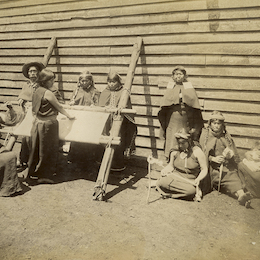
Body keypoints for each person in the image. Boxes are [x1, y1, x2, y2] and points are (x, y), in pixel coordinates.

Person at [26, 69, 74, 185]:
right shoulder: (48, 93)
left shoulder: (37, 90)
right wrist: (70, 116)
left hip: (38, 124)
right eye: (51, 79)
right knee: (48, 150)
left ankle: (33, 174)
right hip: (48, 125)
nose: (53, 82)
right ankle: (44, 175)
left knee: (37, 149)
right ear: (45, 80)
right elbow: (59, 107)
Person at [199, 111, 252, 207]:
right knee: (227, 179)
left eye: (219, 123)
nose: (216, 126)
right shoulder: (205, 136)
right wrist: (212, 158)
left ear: (222, 125)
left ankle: (241, 196)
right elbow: (201, 154)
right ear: (210, 124)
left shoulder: (226, 137)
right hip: (211, 169)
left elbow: (234, 155)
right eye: (214, 123)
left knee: (234, 177)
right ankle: (240, 195)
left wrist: (230, 156)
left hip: (226, 168)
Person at [17, 61, 64, 168]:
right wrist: (22, 100)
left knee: (39, 140)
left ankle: (37, 162)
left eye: (35, 71)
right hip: (28, 116)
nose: (32, 73)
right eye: (30, 71)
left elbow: (58, 102)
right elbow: (22, 97)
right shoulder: (26, 85)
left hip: (42, 116)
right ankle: (24, 159)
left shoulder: (48, 87)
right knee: (26, 138)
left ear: (39, 73)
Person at [158, 66, 204, 159]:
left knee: (184, 135)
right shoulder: (171, 86)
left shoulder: (188, 87)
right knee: (172, 136)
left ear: (184, 76)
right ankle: (170, 157)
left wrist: (184, 98)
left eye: (180, 74)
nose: (178, 76)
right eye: (176, 74)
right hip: (172, 117)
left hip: (185, 117)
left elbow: (193, 101)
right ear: (173, 76)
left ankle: (183, 158)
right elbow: (165, 102)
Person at [98, 71, 137, 171]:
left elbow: (126, 106)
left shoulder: (123, 92)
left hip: (120, 121)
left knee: (118, 141)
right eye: (109, 81)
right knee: (104, 139)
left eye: (113, 82)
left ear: (118, 82)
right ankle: (103, 163)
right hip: (106, 121)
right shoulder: (104, 92)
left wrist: (120, 109)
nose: (111, 84)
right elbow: (101, 105)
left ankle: (117, 164)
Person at [155, 128, 208, 201]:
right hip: (176, 177)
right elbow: (171, 166)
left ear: (189, 141)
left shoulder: (197, 152)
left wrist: (198, 179)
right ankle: (178, 193)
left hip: (190, 180)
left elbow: (204, 169)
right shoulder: (175, 151)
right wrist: (165, 170)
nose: (180, 145)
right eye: (178, 143)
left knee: (190, 191)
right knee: (162, 182)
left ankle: (169, 192)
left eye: (183, 143)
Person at [67, 71, 100, 163]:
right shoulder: (76, 91)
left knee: (87, 139)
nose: (84, 83)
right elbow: (71, 101)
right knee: (76, 138)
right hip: (78, 118)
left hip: (89, 119)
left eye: (86, 81)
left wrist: (94, 106)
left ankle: (88, 160)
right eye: (82, 81)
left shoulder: (95, 92)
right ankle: (74, 158)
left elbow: (98, 104)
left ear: (90, 81)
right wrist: (72, 103)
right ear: (79, 82)